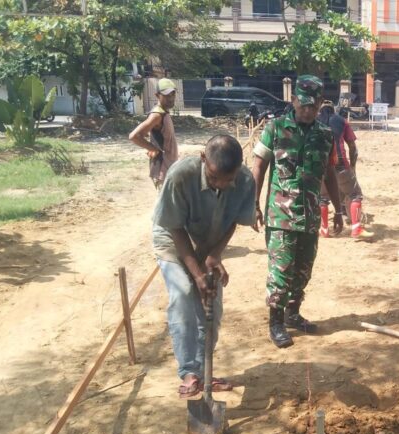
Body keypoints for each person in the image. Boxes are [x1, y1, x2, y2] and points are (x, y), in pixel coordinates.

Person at [152, 135, 256, 397]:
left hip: (208, 241)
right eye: (214, 178)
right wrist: (197, 274)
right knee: (184, 294)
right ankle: (189, 372)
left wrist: (214, 255)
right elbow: (175, 228)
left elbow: (233, 220)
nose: (221, 184)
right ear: (202, 159)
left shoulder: (245, 181)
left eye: (228, 179)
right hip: (173, 239)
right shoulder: (180, 176)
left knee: (211, 307)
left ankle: (203, 373)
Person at [250, 75, 345, 349]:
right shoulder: (275, 128)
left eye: (313, 106)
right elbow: (258, 167)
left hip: (310, 216)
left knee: (303, 270)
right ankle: (276, 322)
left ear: (320, 104)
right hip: (280, 217)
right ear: (293, 100)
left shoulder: (325, 135)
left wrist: (339, 210)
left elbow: (329, 173)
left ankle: (292, 313)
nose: (307, 110)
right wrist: (253, 204)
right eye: (303, 105)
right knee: (281, 272)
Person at [319, 108, 374, 240]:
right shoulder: (342, 121)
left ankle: (324, 229)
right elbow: (353, 147)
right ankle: (356, 229)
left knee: (322, 198)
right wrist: (353, 166)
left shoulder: (314, 121)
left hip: (321, 165)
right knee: (355, 195)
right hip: (340, 165)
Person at [129, 78, 180, 188]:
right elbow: (134, 136)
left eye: (173, 94)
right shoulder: (157, 115)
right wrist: (153, 149)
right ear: (157, 95)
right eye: (167, 95)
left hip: (169, 169)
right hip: (163, 171)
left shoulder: (164, 113)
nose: (171, 98)